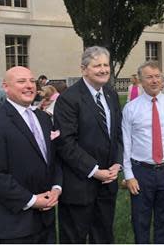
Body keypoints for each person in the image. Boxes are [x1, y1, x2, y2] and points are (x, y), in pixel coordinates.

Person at [54, 46, 123, 243]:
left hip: (108, 184)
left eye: (106, 65)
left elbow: (117, 134)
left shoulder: (111, 95)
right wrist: (94, 170)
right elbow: (65, 143)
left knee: (103, 236)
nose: (103, 70)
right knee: (74, 238)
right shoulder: (69, 99)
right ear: (84, 69)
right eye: (97, 65)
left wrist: (117, 163)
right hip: (79, 185)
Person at [122, 61, 164, 243]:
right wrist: (128, 175)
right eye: (149, 77)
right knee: (140, 219)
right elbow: (126, 144)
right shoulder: (130, 108)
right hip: (141, 171)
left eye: (157, 76)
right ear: (141, 81)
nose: (154, 81)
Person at [0, 66, 62, 243]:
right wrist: (32, 200)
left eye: (32, 81)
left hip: (46, 220)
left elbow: (53, 158)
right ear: (6, 86)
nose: (29, 86)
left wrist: (57, 188)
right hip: (14, 224)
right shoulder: (0, 120)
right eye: (21, 81)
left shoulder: (43, 118)